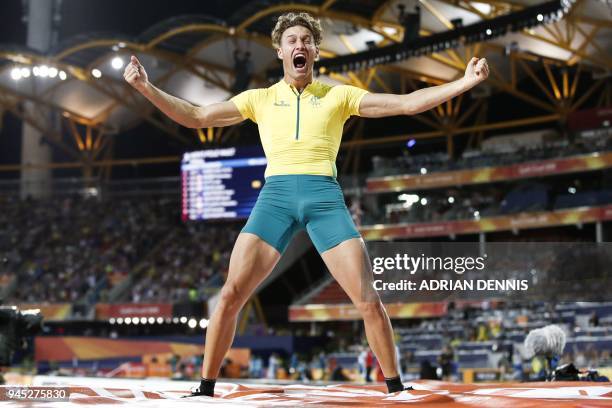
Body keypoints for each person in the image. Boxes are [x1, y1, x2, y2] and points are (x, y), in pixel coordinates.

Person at [124, 12, 489, 397]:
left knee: (367, 299)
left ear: (315, 51)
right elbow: (196, 116)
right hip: (275, 199)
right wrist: (146, 87)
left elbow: (407, 104)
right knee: (231, 294)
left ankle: (395, 388)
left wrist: (464, 82)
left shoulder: (338, 95)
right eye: (292, 40)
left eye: (306, 40)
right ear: (280, 51)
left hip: (324, 199)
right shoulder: (259, 99)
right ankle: (205, 387)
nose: (300, 45)